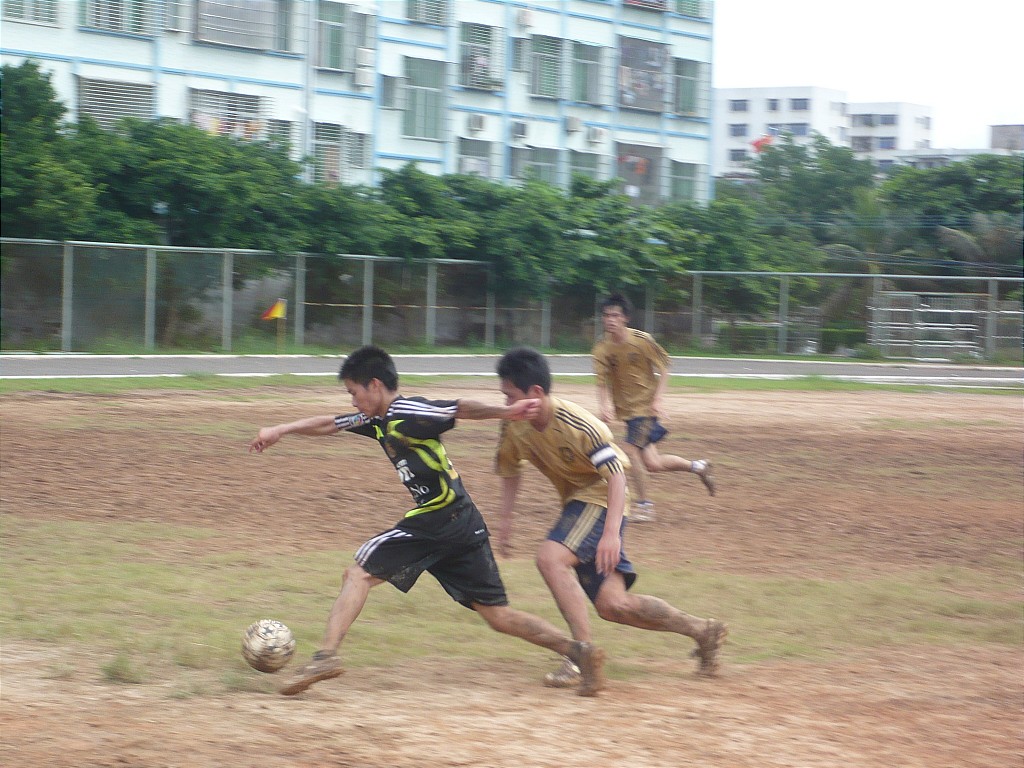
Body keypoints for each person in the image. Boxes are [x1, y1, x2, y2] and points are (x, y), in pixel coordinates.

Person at [249, 345, 605, 697]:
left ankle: (325, 656)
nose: (353, 401)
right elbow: (331, 423)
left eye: (354, 393)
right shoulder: (376, 419)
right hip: (463, 521)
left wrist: (505, 411)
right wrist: (281, 429)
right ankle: (579, 652)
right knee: (498, 616)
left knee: (358, 572)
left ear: (375, 385)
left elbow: (459, 408)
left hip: (439, 515)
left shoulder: (407, 412)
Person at [494, 347, 727, 688]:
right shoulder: (514, 425)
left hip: (603, 498)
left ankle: (582, 656)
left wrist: (611, 534)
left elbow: (617, 476)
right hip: (578, 504)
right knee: (614, 605)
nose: (506, 405)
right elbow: (510, 469)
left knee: (550, 559)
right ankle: (703, 631)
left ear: (536, 393)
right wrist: (505, 522)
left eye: (511, 397)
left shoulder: (578, 423)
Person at [592, 292, 715, 522]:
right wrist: (604, 405)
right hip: (628, 412)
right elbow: (601, 381)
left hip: (645, 409)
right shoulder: (601, 349)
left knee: (630, 451)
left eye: (615, 315)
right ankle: (698, 467)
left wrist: (658, 399)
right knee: (653, 463)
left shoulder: (642, 340)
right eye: (606, 315)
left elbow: (664, 367)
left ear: (625, 318)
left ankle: (645, 506)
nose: (610, 320)